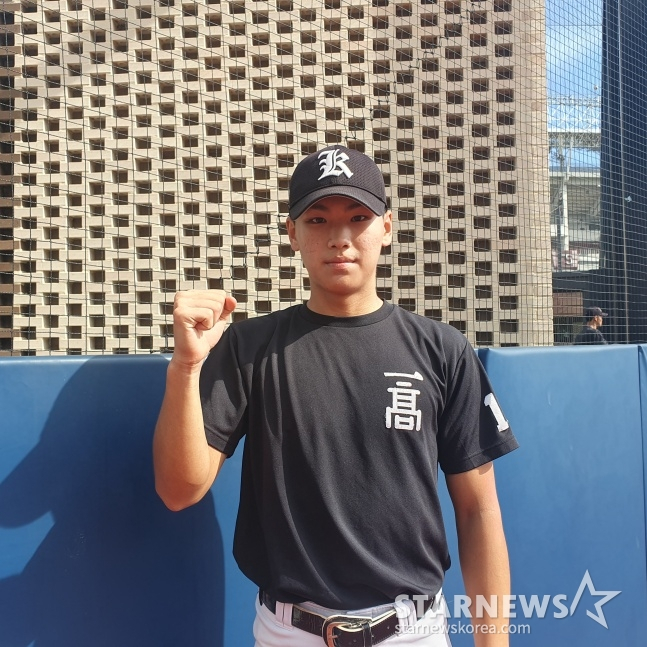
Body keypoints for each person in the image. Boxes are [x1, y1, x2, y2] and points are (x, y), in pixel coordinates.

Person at [153, 146, 519, 647]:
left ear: (386, 227)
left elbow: (479, 511)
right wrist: (185, 367)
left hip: (412, 632)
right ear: (293, 233)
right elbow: (179, 491)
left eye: (358, 217)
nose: (339, 237)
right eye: (318, 219)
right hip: (290, 632)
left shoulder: (442, 350)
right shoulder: (249, 347)